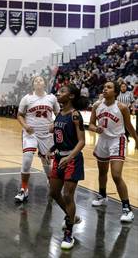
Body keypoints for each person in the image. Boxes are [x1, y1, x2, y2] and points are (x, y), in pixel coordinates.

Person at [89, 81, 138, 223]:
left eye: (109, 87)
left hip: (117, 140)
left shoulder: (122, 107)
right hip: (103, 140)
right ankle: (102, 196)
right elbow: (91, 124)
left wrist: (136, 139)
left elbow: (129, 125)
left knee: (116, 175)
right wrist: (94, 129)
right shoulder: (97, 106)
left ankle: (127, 209)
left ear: (115, 92)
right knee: (102, 172)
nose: (105, 89)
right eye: (104, 87)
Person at [49, 84, 87, 250]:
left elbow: (81, 141)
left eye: (63, 91)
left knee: (68, 194)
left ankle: (69, 233)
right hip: (59, 157)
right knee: (54, 193)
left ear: (71, 96)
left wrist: (69, 156)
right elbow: (59, 137)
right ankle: (71, 216)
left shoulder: (75, 115)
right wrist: (52, 150)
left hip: (72, 158)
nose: (59, 93)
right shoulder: (59, 113)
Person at [15, 75, 60, 203]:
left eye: (41, 80)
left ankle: (50, 181)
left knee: (46, 162)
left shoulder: (51, 98)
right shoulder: (27, 98)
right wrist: (25, 125)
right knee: (27, 159)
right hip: (31, 133)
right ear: (33, 85)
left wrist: (55, 123)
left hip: (46, 134)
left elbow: (59, 114)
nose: (38, 82)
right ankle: (24, 189)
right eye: (36, 80)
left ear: (44, 83)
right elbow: (19, 115)